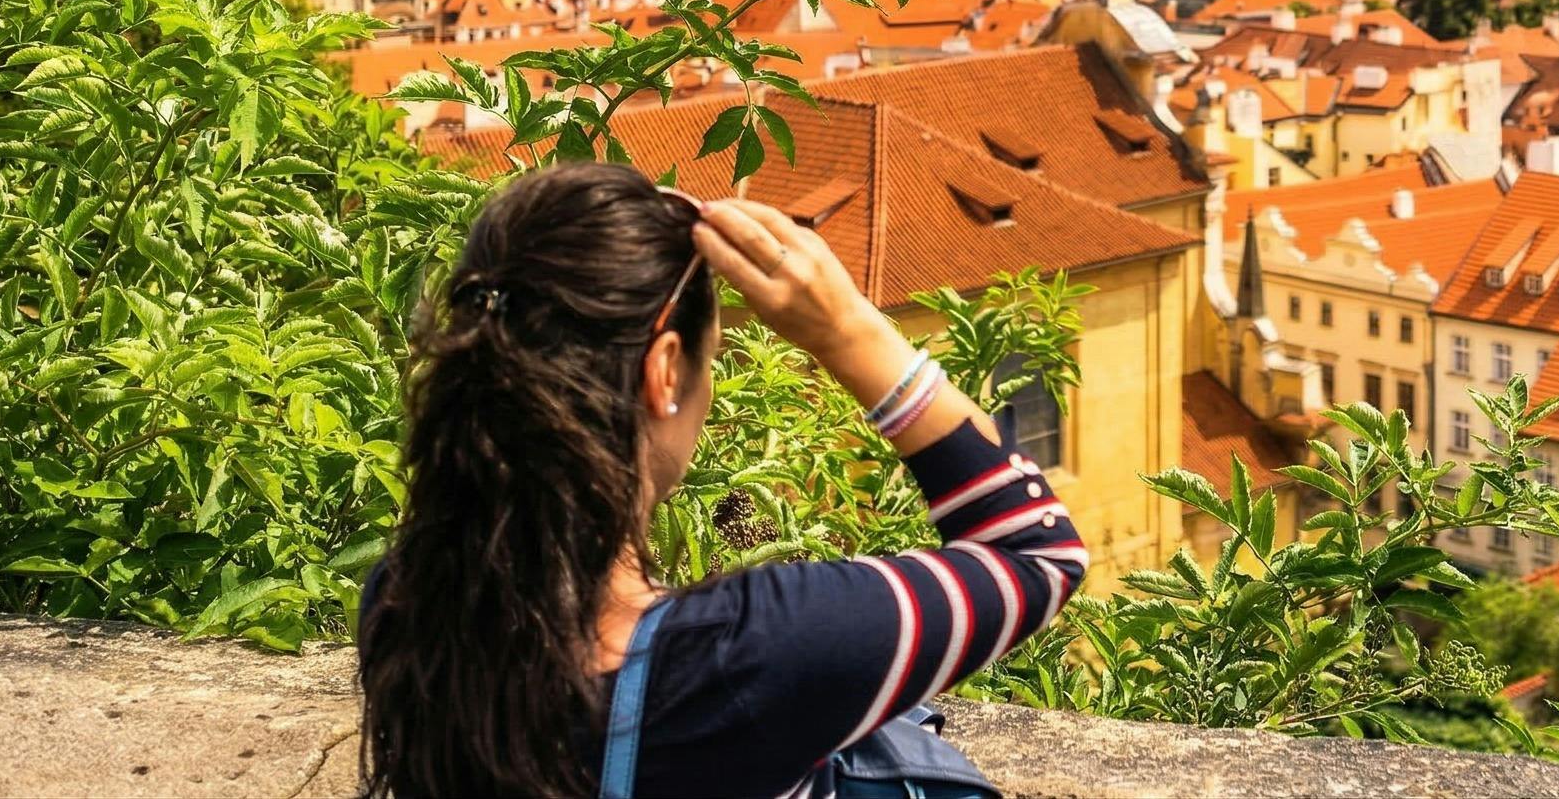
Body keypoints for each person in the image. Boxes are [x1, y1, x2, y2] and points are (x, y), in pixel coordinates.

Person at [358, 162, 1084, 798]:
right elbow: (1039, 554)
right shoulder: (742, 655)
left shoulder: (404, 601)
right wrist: (847, 331)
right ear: (665, 371)